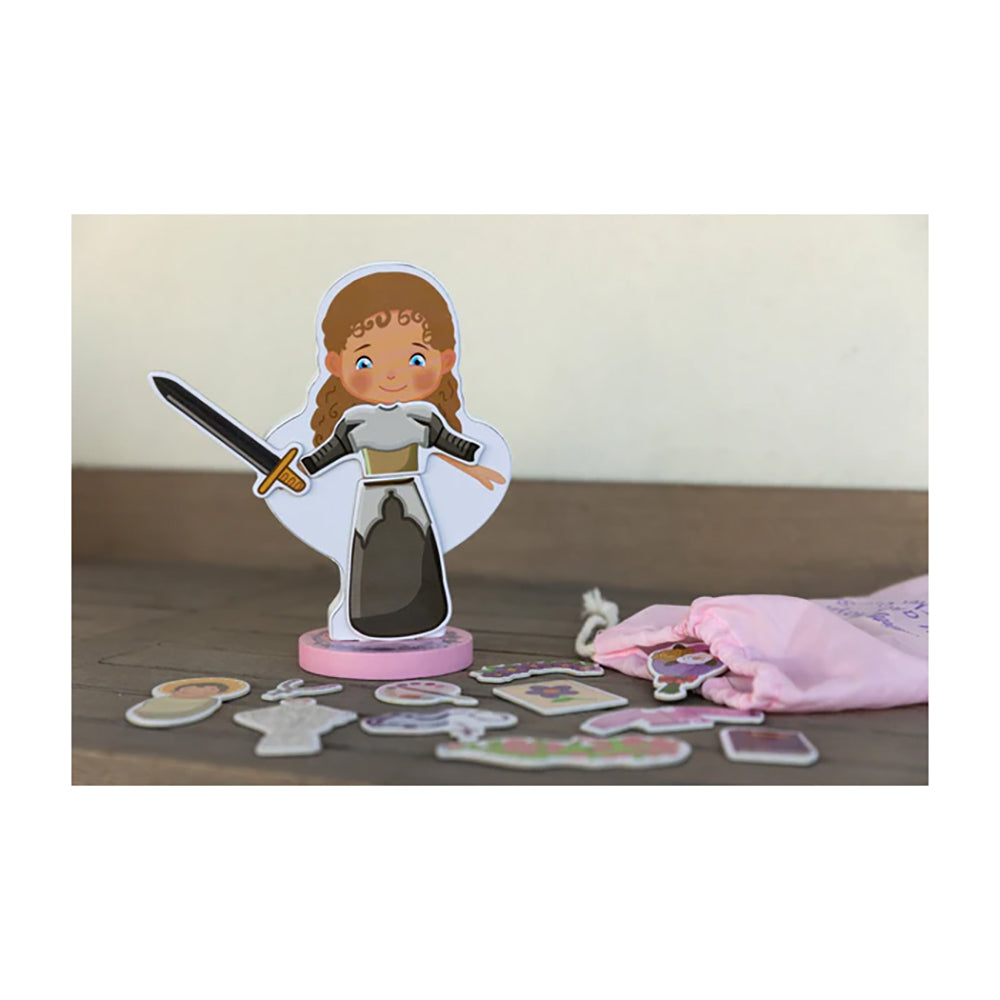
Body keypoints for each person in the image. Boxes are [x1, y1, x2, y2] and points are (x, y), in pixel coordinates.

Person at [263, 263, 510, 642]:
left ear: (445, 360)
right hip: (371, 494)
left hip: (410, 490)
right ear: (335, 365)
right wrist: (296, 471)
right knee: (370, 551)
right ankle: (369, 618)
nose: (391, 376)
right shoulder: (354, 423)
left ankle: (424, 615)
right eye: (366, 362)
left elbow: (454, 445)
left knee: (418, 548)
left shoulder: (422, 417)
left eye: (415, 360)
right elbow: (324, 457)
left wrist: (476, 455)